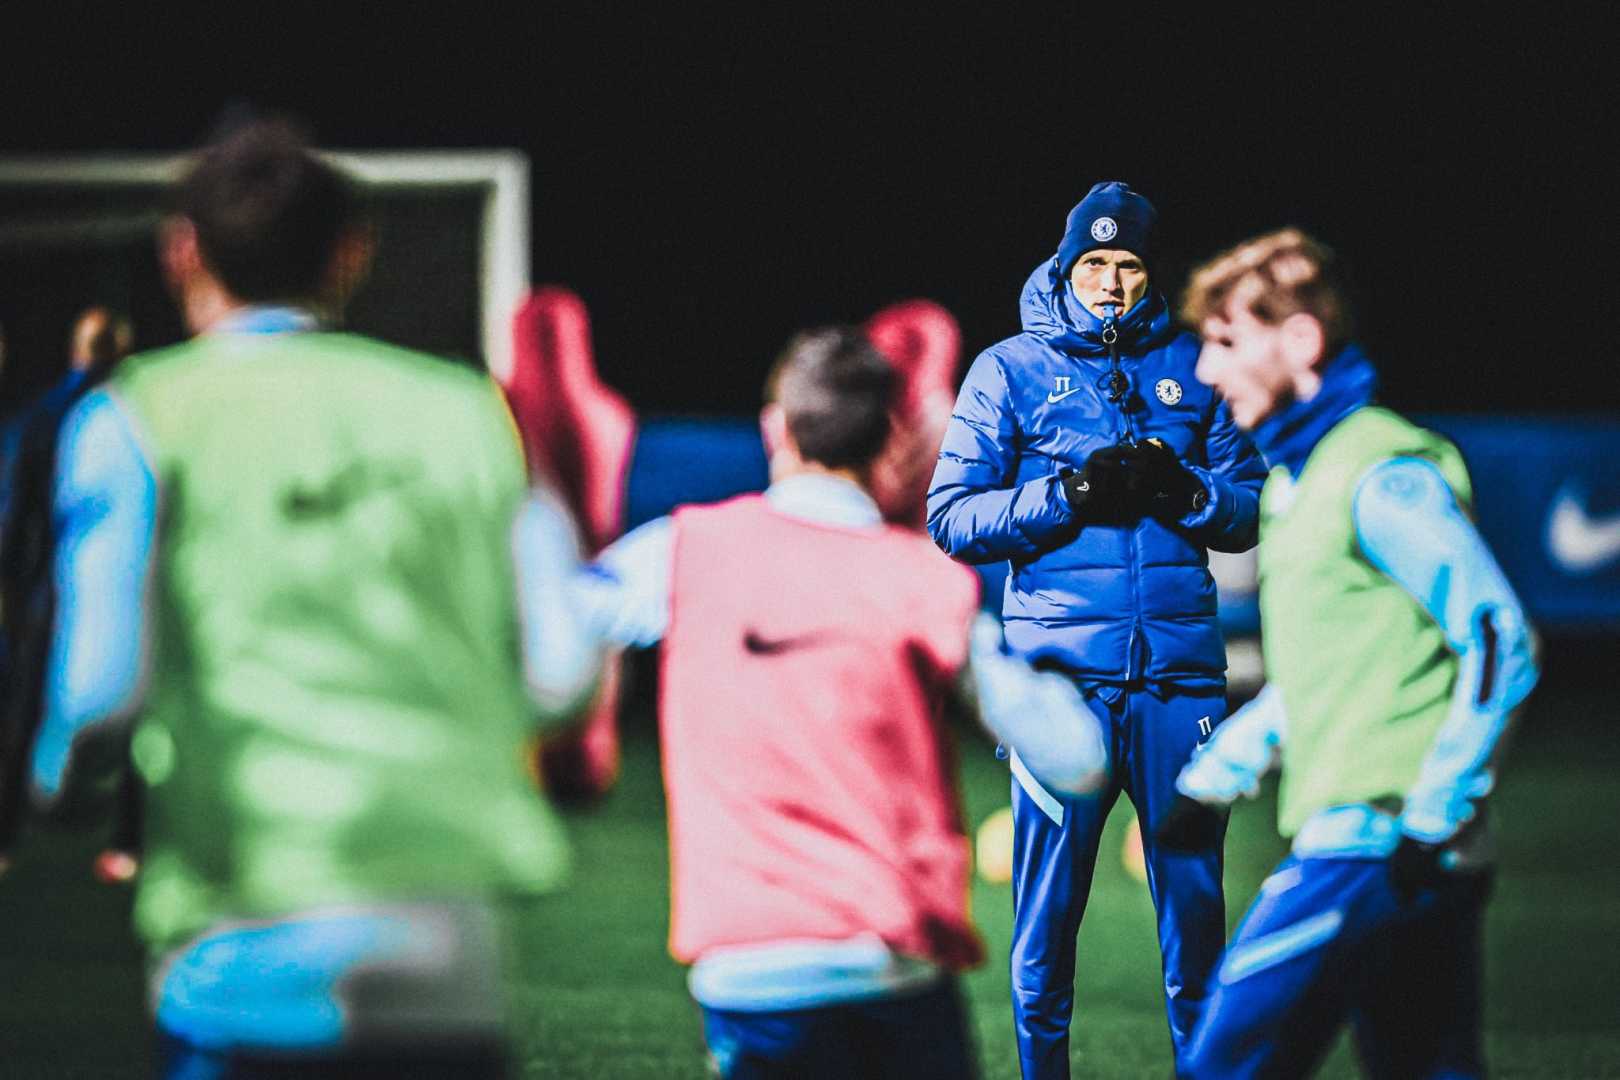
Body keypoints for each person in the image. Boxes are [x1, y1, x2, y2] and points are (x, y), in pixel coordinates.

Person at [27, 118, 599, 1078]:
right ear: (353, 252)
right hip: (447, 946)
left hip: (241, 934)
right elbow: (565, 670)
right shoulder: (471, 410)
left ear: (181, 252)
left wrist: (64, 789)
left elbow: (98, 698)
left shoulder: (134, 415)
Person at [570, 325, 1110, 1079]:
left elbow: (553, 639)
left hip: (746, 966)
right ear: (894, 441)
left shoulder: (682, 550)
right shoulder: (926, 580)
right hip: (890, 964)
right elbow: (1077, 758)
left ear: (775, 428)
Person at [1158, 227, 1538, 1077]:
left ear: (1300, 339)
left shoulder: (1378, 472)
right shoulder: (1300, 480)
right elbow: (1328, 671)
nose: (1207, 369)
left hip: (1376, 838)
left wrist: (1433, 811)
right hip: (1401, 846)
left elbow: (1498, 637)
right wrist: (1217, 775)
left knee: (1224, 1064)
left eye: (1227, 342)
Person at [926, 181, 1268, 1074]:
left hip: (1180, 685)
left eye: (1128, 265)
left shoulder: (1197, 364)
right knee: (1045, 930)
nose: (1110, 282)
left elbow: (1251, 506)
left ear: (1152, 272)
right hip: (1061, 688)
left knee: (1197, 928)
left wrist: (1187, 492)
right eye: (1094, 263)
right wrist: (1068, 494)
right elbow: (951, 516)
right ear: (1066, 264)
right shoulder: (1009, 369)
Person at [1, 306, 135, 865]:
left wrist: (13, 575)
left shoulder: (46, 413)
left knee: (24, 705)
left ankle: (8, 831)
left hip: (49, 584)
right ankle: (128, 838)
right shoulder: (135, 410)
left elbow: (18, 503)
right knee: (136, 712)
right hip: (117, 582)